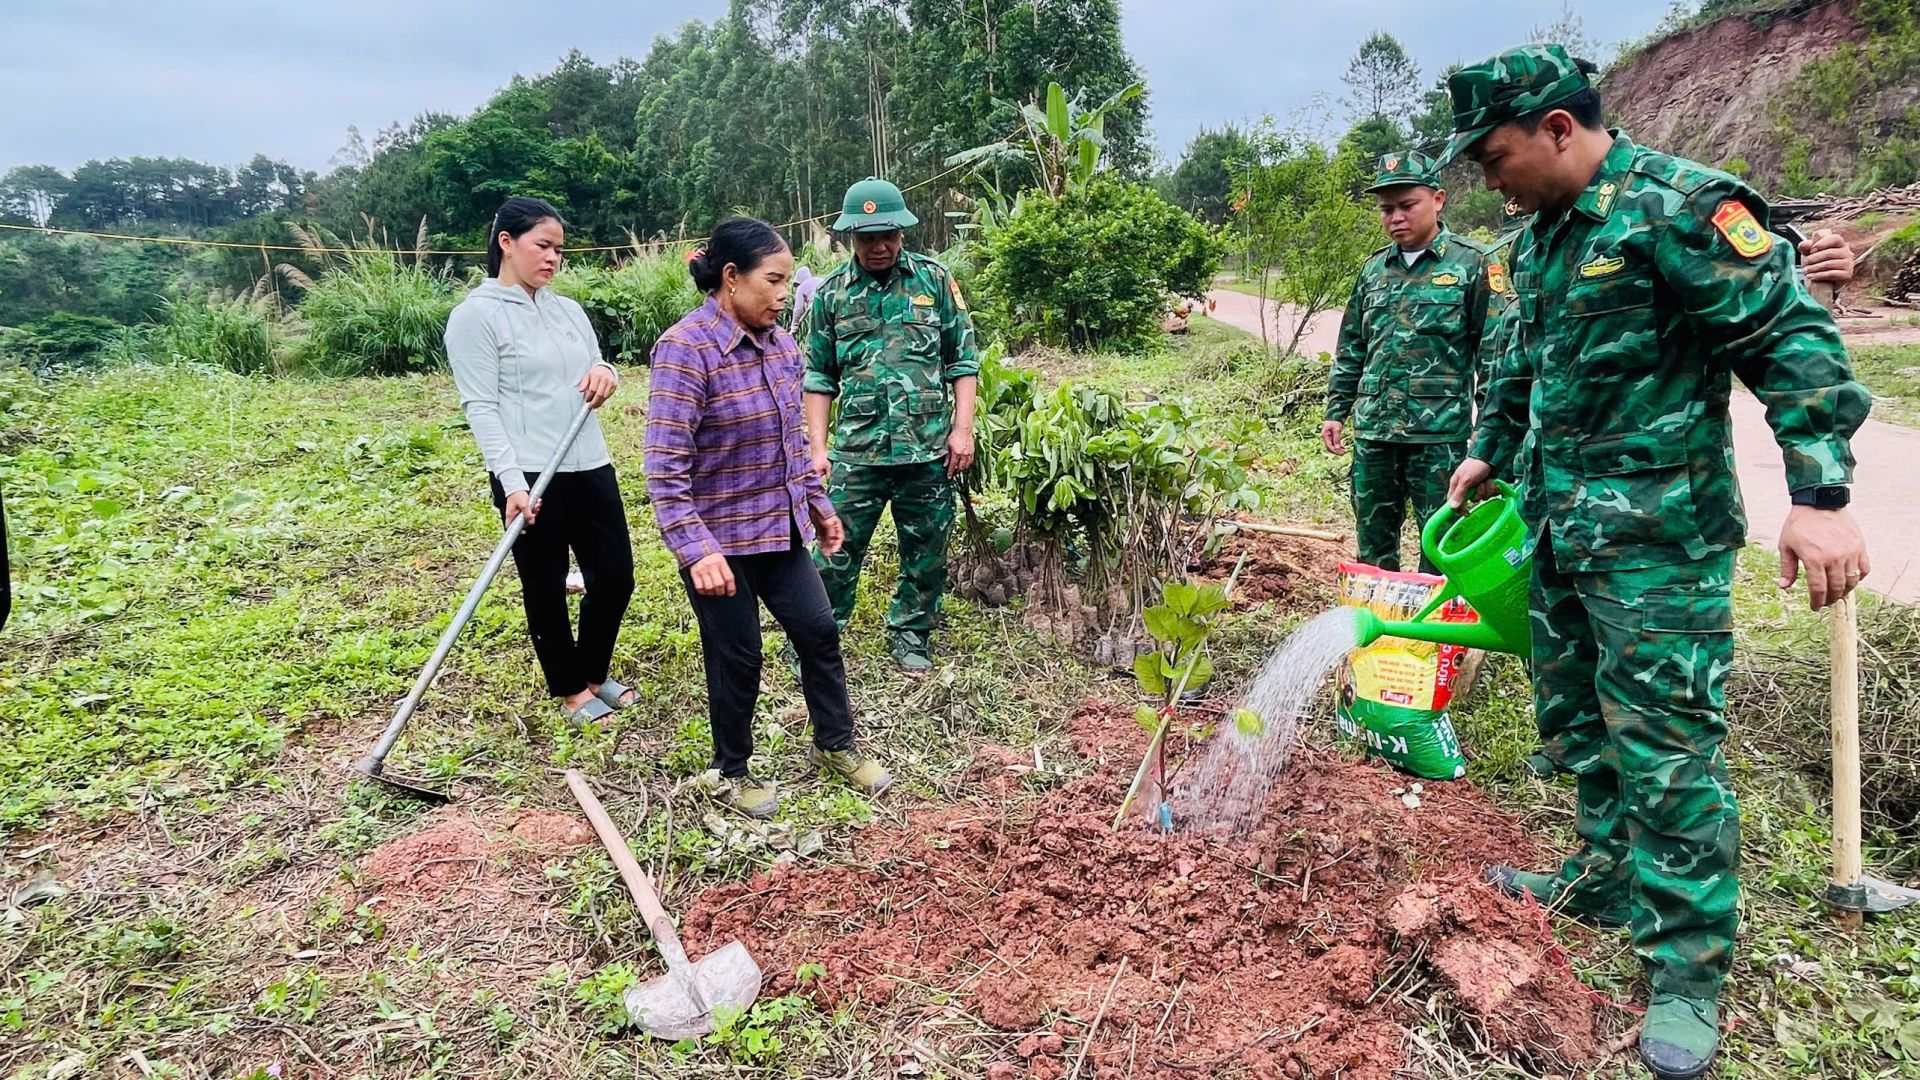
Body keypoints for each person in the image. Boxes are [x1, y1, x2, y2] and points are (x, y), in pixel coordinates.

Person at [1434, 45, 1871, 1080]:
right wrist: (1488, 447)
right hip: (1559, 535)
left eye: (1492, 157)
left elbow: (1791, 338)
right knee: (1580, 718)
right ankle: (1602, 875)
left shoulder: (1683, 208)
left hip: (1659, 547)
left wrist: (1818, 498)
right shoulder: (1535, 241)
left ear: (1556, 128)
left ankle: (1686, 969)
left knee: (1668, 756)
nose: (1483, 181)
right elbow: (1522, 362)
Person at [645, 217, 892, 818]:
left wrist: (818, 507)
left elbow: (792, 448)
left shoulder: (783, 348)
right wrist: (696, 550)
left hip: (778, 530)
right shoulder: (686, 351)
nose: (785, 294)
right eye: (773, 280)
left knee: (818, 631)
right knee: (739, 655)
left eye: (787, 282)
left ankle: (834, 745)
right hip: (718, 545)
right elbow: (664, 467)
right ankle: (730, 771)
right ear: (730, 278)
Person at [447, 197, 636, 728]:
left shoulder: (567, 309)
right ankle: (571, 688)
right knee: (546, 583)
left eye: (559, 249)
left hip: (590, 461)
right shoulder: (475, 316)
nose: (553, 258)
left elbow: (599, 366)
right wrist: (511, 482)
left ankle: (595, 673)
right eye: (542, 246)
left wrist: (607, 374)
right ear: (506, 243)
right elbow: (480, 406)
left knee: (615, 576)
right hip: (530, 473)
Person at [800, 177, 981, 674]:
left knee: (926, 550)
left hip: (926, 449)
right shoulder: (831, 295)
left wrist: (961, 430)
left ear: (902, 232)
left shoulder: (934, 281)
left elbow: (963, 361)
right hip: (856, 452)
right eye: (866, 237)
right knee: (834, 550)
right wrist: (819, 447)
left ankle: (911, 632)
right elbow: (818, 376)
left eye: (888, 235)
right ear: (849, 237)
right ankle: (820, 640)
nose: (879, 246)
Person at [1324, 150, 1494, 573]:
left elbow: (1493, 355)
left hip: (1438, 436)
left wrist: (1490, 437)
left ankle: (1434, 633)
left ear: (1437, 200)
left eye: (1406, 205)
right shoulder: (1372, 271)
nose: (1395, 217)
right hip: (1376, 434)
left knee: (1441, 543)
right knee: (1373, 544)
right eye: (1386, 209)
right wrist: (1336, 409)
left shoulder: (1472, 264)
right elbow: (1352, 347)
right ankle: (1380, 627)